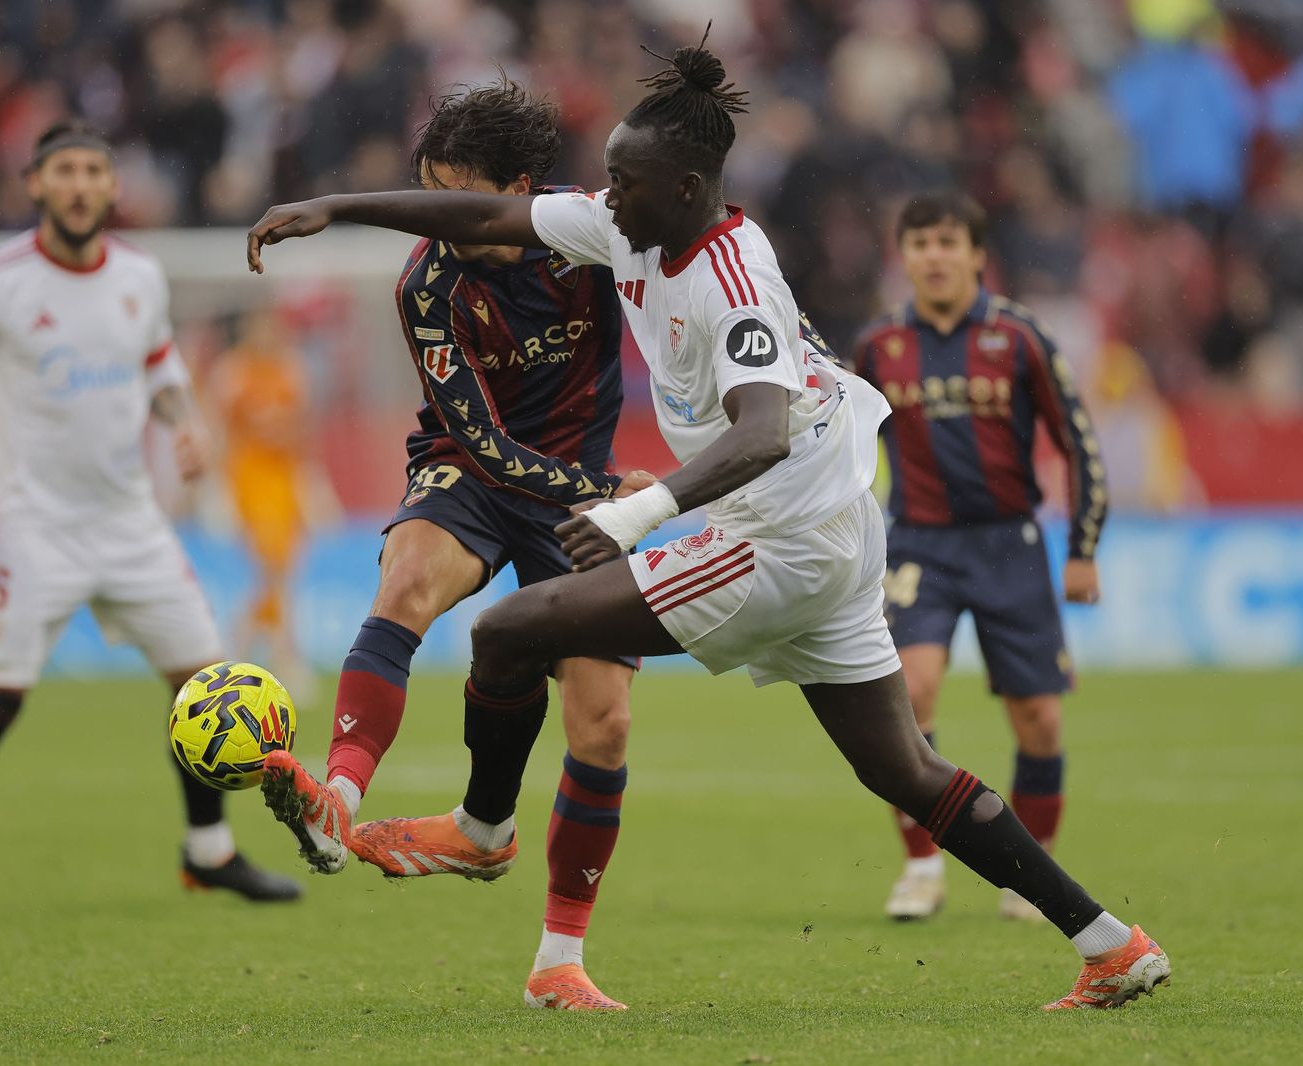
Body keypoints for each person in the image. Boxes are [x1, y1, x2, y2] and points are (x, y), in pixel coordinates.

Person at [247, 38, 1170, 1011]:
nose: (601, 195)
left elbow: (762, 430)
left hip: (776, 542)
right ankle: (1110, 942)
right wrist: (333, 210)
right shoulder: (632, 225)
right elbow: (488, 211)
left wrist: (637, 510)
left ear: (685, 186)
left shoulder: (732, 282)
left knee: (510, 628)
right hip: (829, 532)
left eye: (621, 181)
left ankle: (482, 832)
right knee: (903, 766)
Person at [254, 81, 646, 1010]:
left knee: (606, 721)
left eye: (456, 198)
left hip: (577, 489)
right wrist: (612, 492)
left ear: (516, 188)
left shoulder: (591, 245)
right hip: (475, 472)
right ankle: (336, 802)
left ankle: (559, 962)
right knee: (408, 583)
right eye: (426, 194)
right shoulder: (428, 283)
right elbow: (483, 446)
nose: (440, 220)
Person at [0, 120, 299, 913]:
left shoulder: (140, 276)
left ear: (113, 187)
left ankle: (208, 851)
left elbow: (160, 363)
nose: (80, 185)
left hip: (131, 523)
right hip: (29, 528)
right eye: (64, 171)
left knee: (203, 685)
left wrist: (184, 417)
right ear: (36, 185)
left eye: (93, 171)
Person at [850, 191, 1107, 922]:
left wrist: (1083, 546)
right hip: (918, 544)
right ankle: (923, 866)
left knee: (1040, 722)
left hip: (1009, 543)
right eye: (920, 243)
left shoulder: (1020, 336)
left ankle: (1028, 873)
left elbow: (1077, 439)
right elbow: (839, 450)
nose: (933, 256)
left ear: (975, 255)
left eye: (946, 242)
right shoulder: (876, 347)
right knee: (912, 695)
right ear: (903, 258)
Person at [210, 310, 318, 688]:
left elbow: (301, 431)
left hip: (284, 479)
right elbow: (220, 432)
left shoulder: (290, 371)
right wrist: (217, 489)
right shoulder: (234, 373)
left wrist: (312, 485)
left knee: (281, 571)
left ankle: (237, 651)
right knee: (273, 568)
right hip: (249, 479)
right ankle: (281, 658)